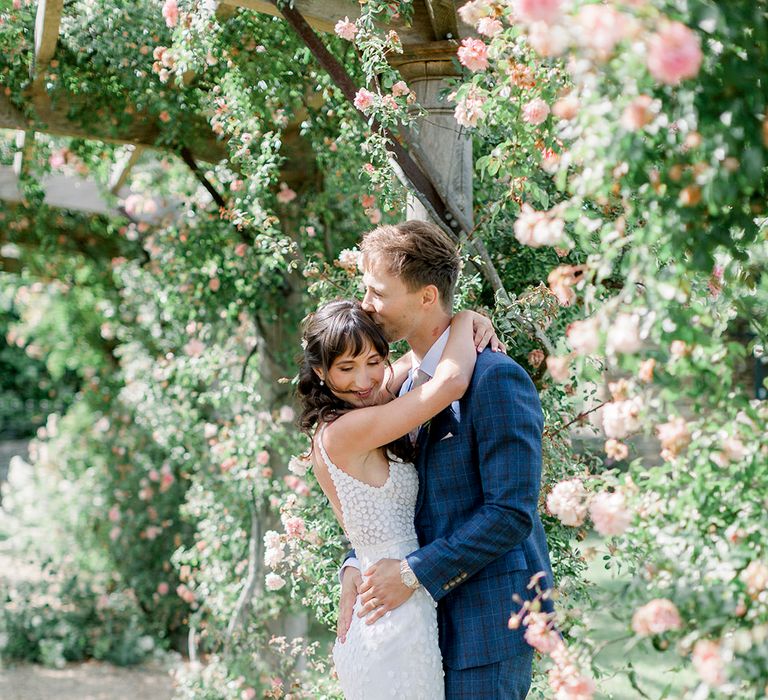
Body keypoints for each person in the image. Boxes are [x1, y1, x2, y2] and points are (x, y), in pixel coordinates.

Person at [337, 221, 555, 699]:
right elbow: (393, 499)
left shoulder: (495, 379)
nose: (365, 305)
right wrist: (358, 561)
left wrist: (414, 572)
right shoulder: (402, 388)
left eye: (377, 292)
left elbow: (510, 513)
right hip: (417, 630)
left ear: (426, 296)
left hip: (489, 622)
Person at [297, 299, 498, 699]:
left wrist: (451, 325)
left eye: (373, 361)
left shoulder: (362, 404)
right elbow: (450, 383)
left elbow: (413, 361)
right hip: (390, 616)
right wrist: (464, 319)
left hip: (393, 596)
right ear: (321, 372)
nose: (365, 380)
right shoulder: (346, 430)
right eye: (346, 368)